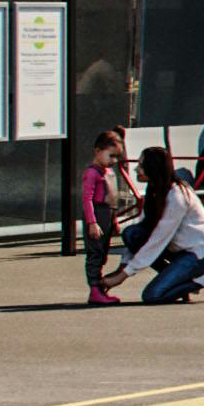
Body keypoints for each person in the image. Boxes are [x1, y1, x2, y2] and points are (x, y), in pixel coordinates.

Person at [118, 145, 204, 305]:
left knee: (152, 296)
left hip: (200, 253)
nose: (136, 169)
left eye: (141, 165)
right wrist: (123, 265)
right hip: (180, 249)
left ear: (153, 168)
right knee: (132, 234)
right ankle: (178, 281)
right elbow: (146, 230)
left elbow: (158, 239)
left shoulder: (177, 196)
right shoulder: (155, 190)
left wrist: (124, 274)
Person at [78, 126, 133, 303]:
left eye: (117, 157)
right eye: (111, 156)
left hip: (107, 215)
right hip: (97, 215)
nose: (114, 161)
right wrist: (92, 223)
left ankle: (98, 288)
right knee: (95, 253)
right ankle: (94, 288)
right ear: (98, 151)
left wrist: (115, 219)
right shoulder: (92, 173)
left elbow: (113, 200)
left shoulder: (108, 172)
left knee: (102, 253)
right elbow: (87, 200)